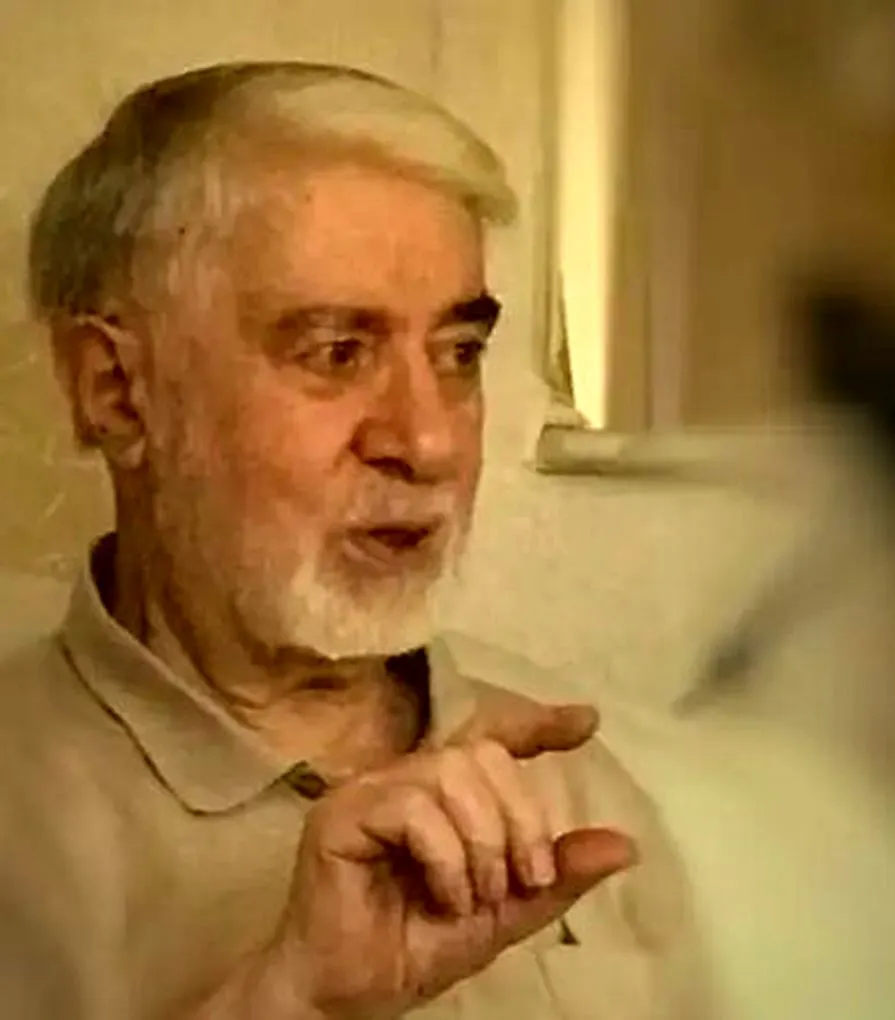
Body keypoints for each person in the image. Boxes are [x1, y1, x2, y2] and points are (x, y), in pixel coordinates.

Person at [0, 61, 707, 1020]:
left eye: (458, 353)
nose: (429, 441)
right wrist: (287, 1002)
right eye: (337, 352)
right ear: (117, 392)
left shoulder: (577, 789)